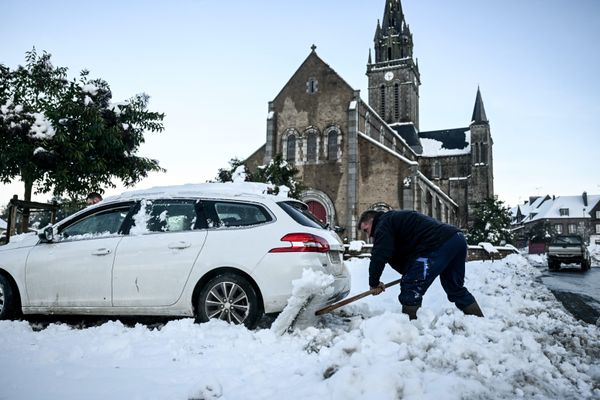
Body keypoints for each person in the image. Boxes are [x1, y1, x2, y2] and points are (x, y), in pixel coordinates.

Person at [358, 209, 484, 320]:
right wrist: (409, 273)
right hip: (456, 239)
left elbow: (379, 255)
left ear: (372, 220)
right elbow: (403, 257)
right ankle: (479, 322)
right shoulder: (395, 221)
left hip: (437, 244)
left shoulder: (383, 223)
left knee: (411, 287)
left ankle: (410, 331)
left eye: (366, 229)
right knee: (455, 288)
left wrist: (373, 283)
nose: (369, 235)